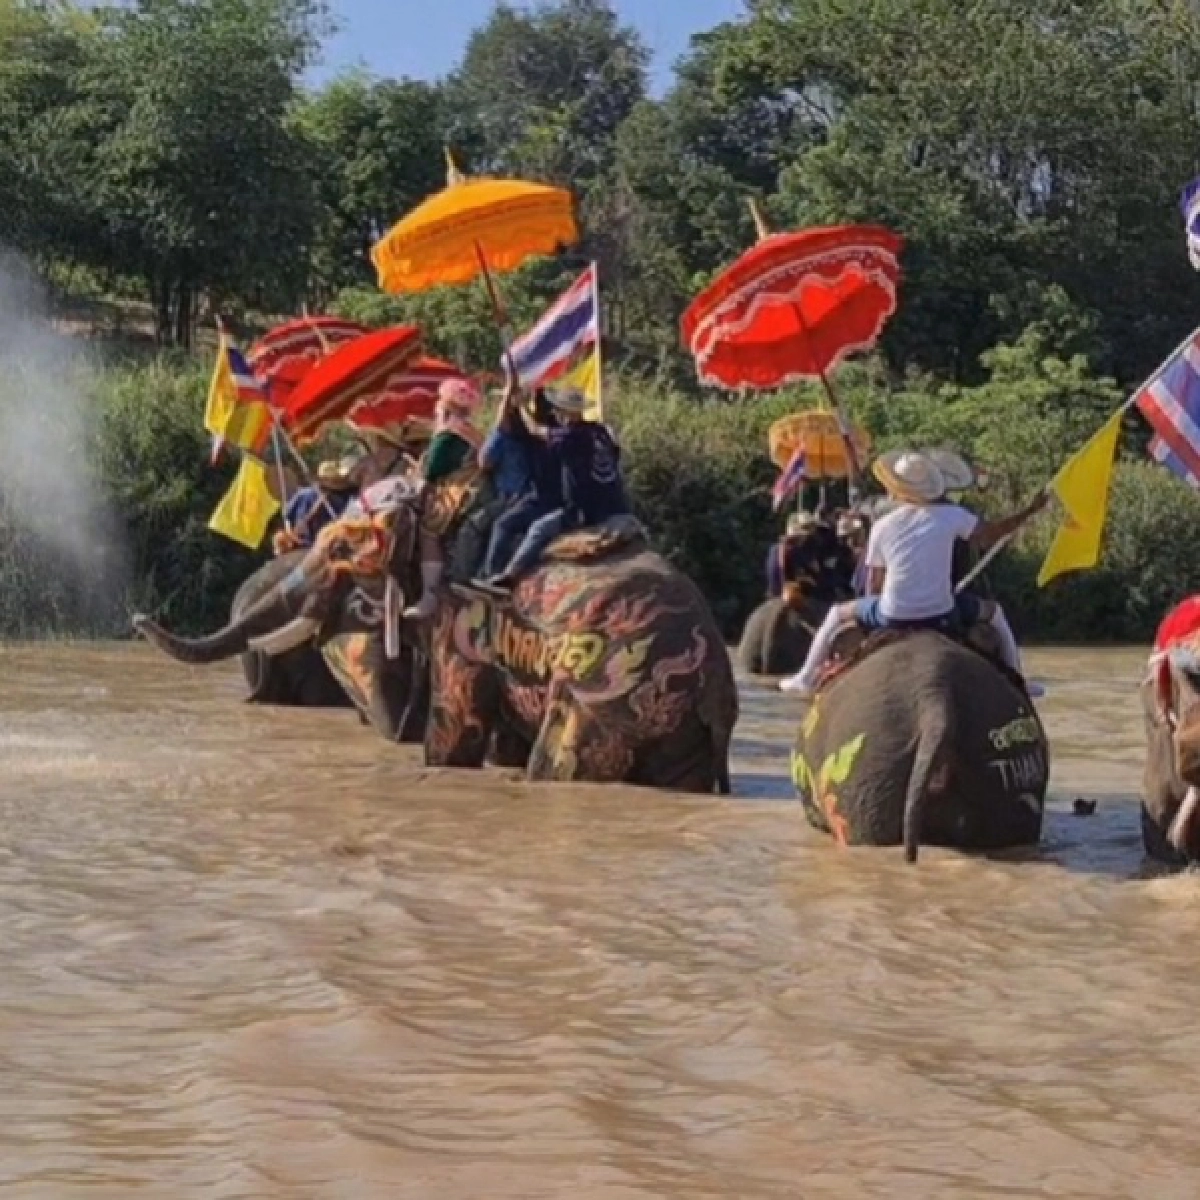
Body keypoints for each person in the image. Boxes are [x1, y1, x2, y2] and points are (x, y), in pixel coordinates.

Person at [778, 449, 1048, 699]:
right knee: (995, 613)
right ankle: (1020, 682)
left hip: (891, 614)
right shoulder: (953, 515)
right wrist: (1030, 510)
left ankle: (805, 678)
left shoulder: (883, 525)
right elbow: (992, 534)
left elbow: (874, 584)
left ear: (897, 488)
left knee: (836, 613)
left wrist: (877, 617)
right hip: (942, 614)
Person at [476, 387, 629, 593]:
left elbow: (535, 430)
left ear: (566, 412)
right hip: (617, 506)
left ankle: (505, 577)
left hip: (587, 511)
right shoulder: (599, 431)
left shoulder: (571, 436)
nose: (556, 414)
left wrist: (520, 406)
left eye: (560, 410)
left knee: (535, 528)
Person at [403, 378, 484, 621]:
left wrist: (415, 471)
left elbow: (430, 473)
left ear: (446, 409)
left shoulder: (447, 436)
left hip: (459, 490)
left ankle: (429, 594)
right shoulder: (472, 431)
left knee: (429, 529)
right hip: (480, 487)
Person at [272, 458, 357, 555]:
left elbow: (286, 514)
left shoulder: (304, 494)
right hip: (319, 546)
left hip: (314, 545)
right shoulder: (341, 499)